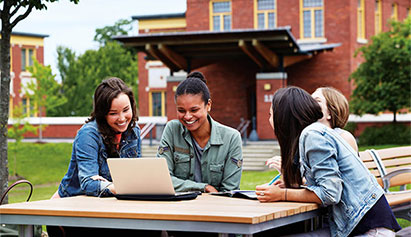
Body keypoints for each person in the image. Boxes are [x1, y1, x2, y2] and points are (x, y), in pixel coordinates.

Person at [256, 87, 400, 237]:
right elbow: (328, 183)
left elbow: (330, 194)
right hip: (353, 225)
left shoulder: (313, 135)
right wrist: (294, 185)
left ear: (283, 117)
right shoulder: (309, 135)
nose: (269, 119)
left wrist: (282, 194)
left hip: (370, 230)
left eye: (271, 114)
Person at [157, 71, 243, 193]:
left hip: (216, 209)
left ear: (208, 105)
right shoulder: (172, 130)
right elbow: (162, 180)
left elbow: (230, 190)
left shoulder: (231, 138)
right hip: (179, 208)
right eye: (181, 110)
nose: (187, 116)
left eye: (194, 110)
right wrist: (203, 187)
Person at [57, 77, 141, 198]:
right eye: (113, 113)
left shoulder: (133, 131)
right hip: (73, 201)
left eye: (126, 110)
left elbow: (135, 176)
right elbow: (89, 184)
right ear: (103, 114)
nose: (122, 118)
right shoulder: (88, 135)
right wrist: (120, 187)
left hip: (110, 201)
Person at [266, 86, 358, 171]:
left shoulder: (343, 137)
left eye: (316, 101)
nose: (310, 104)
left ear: (330, 112)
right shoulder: (308, 137)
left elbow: (335, 182)